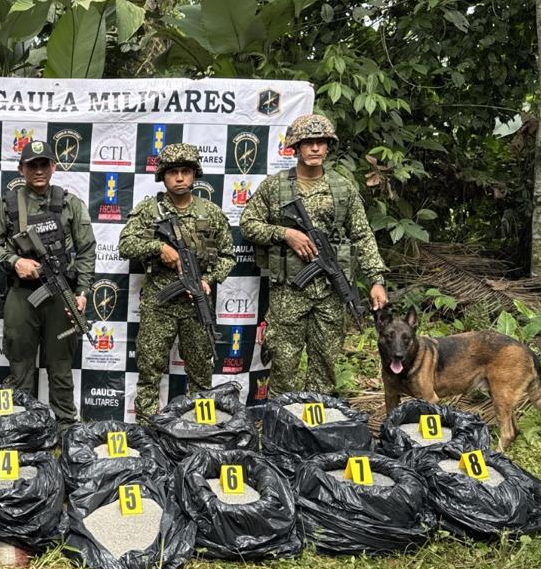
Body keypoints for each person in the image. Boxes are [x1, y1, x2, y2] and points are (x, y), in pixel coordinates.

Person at [240, 113, 389, 394]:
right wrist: (285, 233)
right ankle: (280, 419)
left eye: (321, 142)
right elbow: (248, 224)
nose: (316, 148)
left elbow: (362, 234)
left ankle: (315, 418)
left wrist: (376, 280)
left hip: (330, 293)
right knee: (283, 368)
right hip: (288, 294)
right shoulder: (275, 186)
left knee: (325, 368)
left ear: (328, 147)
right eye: (308, 142)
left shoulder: (342, 188)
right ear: (296, 147)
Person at [0, 140, 95, 428]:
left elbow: (86, 250)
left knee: (61, 365)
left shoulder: (70, 204)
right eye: (32, 165)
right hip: (22, 295)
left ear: (54, 167)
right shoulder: (8, 204)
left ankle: (66, 426)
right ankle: (23, 426)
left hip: (60, 294)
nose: (39, 170)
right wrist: (14, 261)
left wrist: (82, 292)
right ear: (22, 169)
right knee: (20, 365)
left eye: (44, 164)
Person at [119, 142, 235, 418]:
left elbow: (228, 256)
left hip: (197, 305)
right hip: (160, 304)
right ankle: (147, 429)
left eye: (186, 171)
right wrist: (159, 248)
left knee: (201, 373)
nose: (180, 178)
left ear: (195, 174)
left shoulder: (210, 212)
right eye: (173, 172)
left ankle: (200, 427)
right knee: (150, 370)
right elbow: (125, 244)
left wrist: (208, 280)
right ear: (163, 176)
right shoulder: (150, 211)